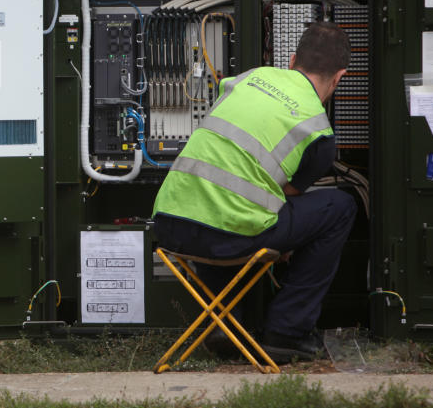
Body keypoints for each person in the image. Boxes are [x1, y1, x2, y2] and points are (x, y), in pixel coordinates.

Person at [151, 21, 357, 362]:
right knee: (341, 206)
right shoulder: (319, 133)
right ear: (339, 78)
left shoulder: (245, 79)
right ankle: (287, 333)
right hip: (228, 237)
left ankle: (226, 324)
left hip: (170, 225)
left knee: (226, 206)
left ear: (291, 61)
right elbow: (284, 193)